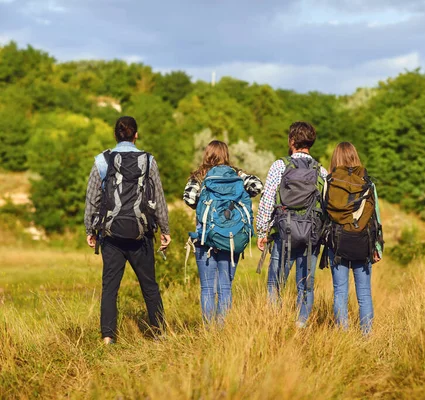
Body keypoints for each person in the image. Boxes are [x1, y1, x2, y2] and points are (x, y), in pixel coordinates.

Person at [84, 116, 171, 344]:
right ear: (136, 135)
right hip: (141, 234)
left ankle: (107, 337)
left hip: (111, 235)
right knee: (149, 285)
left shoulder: (102, 161)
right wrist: (165, 229)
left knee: (110, 286)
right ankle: (158, 333)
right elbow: (158, 198)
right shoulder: (149, 161)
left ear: (115, 135)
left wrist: (90, 229)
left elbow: (92, 199)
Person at [256, 121, 328, 327]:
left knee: (275, 283)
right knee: (306, 287)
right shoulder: (320, 171)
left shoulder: (280, 165)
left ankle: (274, 325)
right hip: (311, 236)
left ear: (292, 141)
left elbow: (268, 199)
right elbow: (325, 204)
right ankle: (301, 326)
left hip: (283, 234)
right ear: (311, 143)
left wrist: (262, 230)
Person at [183, 140, 263, 322]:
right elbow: (257, 186)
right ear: (226, 155)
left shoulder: (200, 177)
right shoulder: (236, 175)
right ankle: (222, 330)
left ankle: (209, 332)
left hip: (205, 237)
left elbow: (188, 198)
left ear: (207, 154)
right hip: (230, 237)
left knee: (207, 288)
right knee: (225, 287)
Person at [323, 142, 383, 335]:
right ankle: (366, 336)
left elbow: (324, 215)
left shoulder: (329, 181)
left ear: (336, 158)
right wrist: (378, 247)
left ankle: (343, 336)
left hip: (337, 243)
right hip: (362, 243)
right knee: (364, 294)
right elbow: (376, 218)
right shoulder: (368, 183)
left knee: (340, 292)